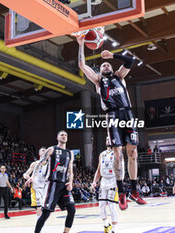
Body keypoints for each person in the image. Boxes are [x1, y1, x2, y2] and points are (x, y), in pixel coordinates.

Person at [77, 37, 146, 210]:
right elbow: (82, 66)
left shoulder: (119, 76)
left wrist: (112, 55)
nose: (105, 66)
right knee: (117, 154)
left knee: (133, 153)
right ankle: (121, 191)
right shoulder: (99, 81)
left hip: (128, 113)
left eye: (107, 65)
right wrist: (80, 44)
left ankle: (134, 191)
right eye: (102, 66)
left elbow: (131, 60)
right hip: (112, 115)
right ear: (99, 71)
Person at [26, 130, 75, 233]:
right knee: (46, 213)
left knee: (72, 209)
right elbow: (40, 163)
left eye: (65, 135)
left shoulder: (70, 153)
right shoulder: (52, 149)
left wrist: (70, 182)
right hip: (52, 184)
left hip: (64, 185)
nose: (64, 136)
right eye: (61, 135)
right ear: (57, 138)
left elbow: (70, 170)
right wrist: (32, 177)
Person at [92, 137, 119, 233]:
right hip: (103, 181)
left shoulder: (117, 152)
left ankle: (115, 230)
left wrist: (119, 182)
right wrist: (95, 181)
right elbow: (98, 169)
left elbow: (120, 168)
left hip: (113, 180)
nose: (108, 140)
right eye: (106, 139)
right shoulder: (102, 154)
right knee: (101, 205)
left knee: (112, 206)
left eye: (110, 139)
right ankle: (106, 226)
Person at [23, 147, 48, 220]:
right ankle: (39, 225)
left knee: (44, 208)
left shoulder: (49, 164)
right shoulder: (34, 164)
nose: (44, 152)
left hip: (46, 188)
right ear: (39, 153)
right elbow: (25, 174)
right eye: (42, 151)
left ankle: (41, 223)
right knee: (39, 206)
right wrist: (29, 178)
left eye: (46, 151)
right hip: (36, 187)